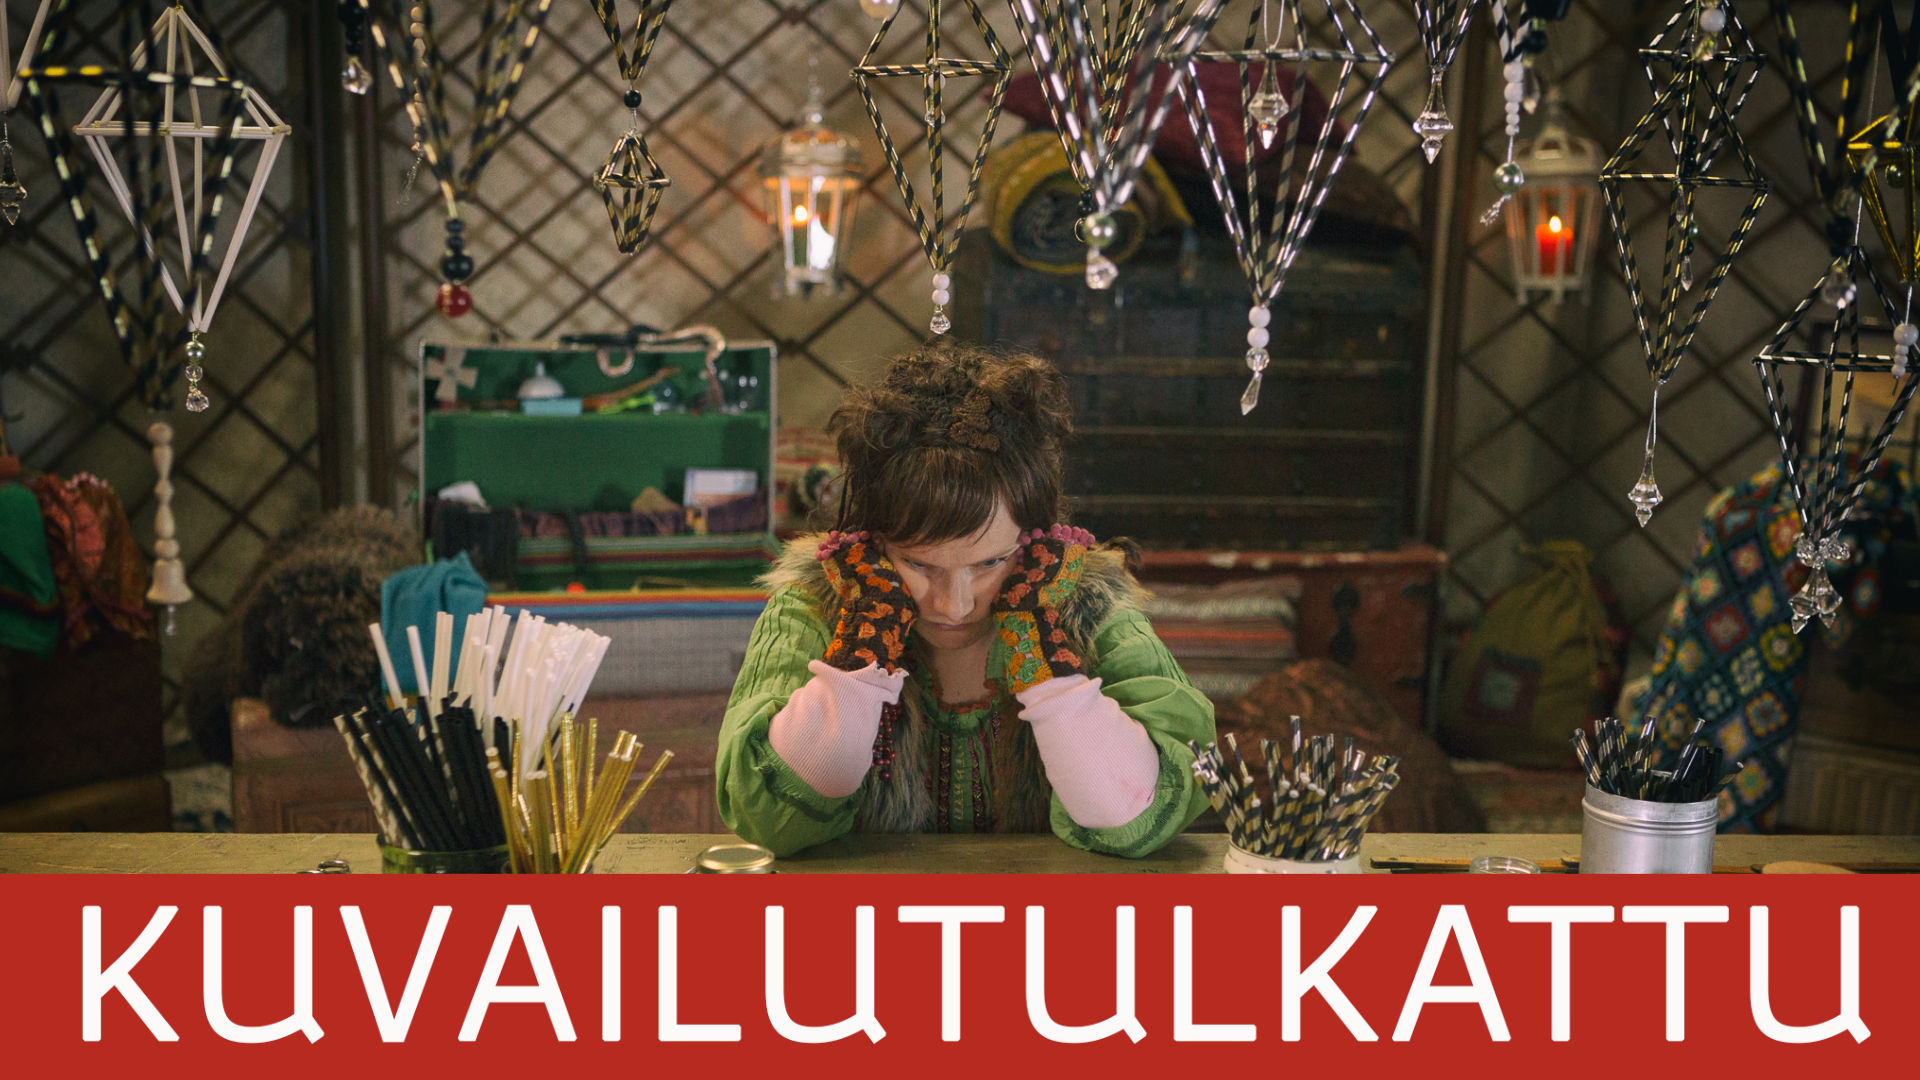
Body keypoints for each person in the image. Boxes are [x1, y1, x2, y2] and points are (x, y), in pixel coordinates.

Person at [716, 345, 1215, 857]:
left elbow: (1136, 816)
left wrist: (1042, 657)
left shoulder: (1089, 610)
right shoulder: (814, 607)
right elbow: (770, 818)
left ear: (1035, 541)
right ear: (871, 545)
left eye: (989, 563)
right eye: (920, 565)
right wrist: (863, 649)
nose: (953, 606)